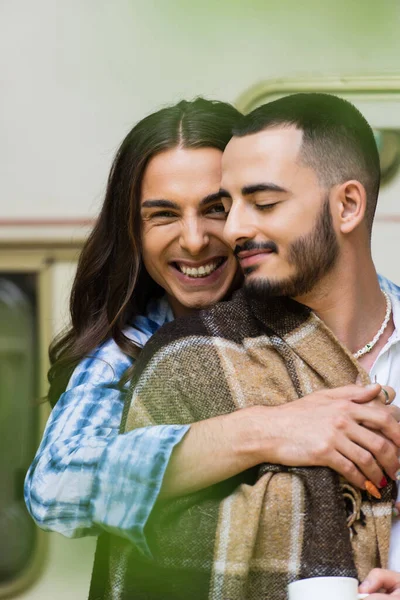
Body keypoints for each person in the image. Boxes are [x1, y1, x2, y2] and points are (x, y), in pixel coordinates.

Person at [106, 93, 400, 600]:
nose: (234, 229)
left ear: (348, 205)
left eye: (263, 203)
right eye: (231, 203)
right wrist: (269, 429)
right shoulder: (187, 361)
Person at [24, 98, 242, 553]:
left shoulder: (326, 322)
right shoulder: (131, 345)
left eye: (216, 208)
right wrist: (267, 431)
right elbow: (54, 486)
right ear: (133, 233)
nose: (195, 239)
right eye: (163, 214)